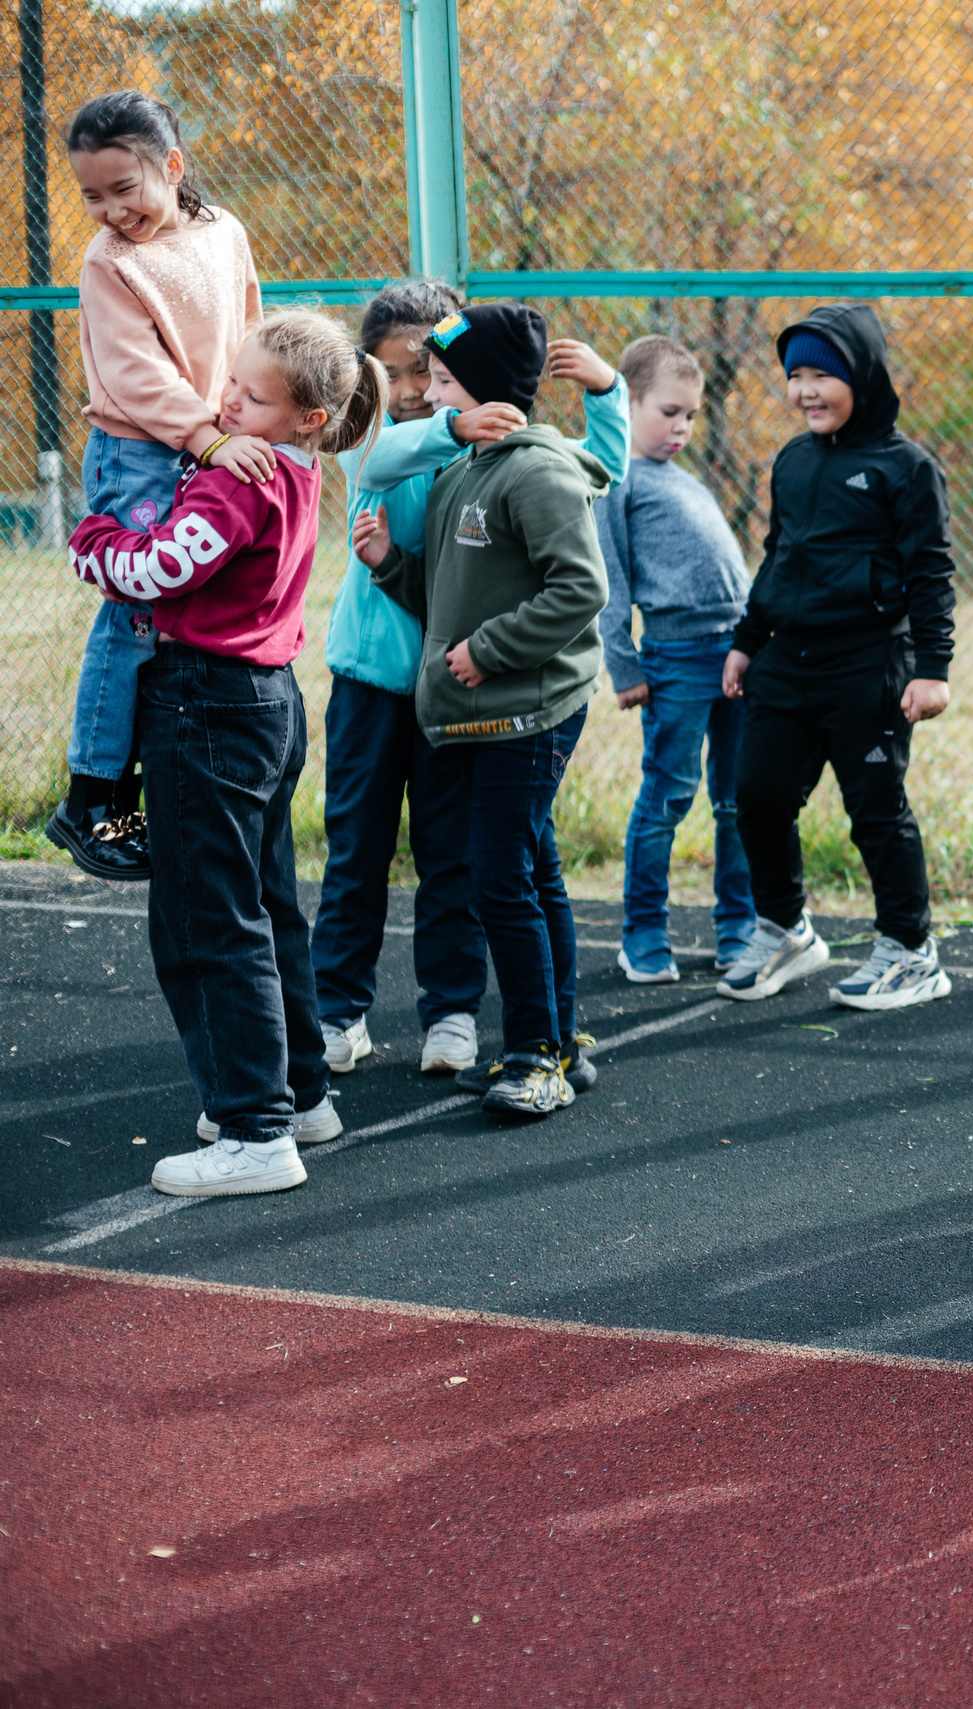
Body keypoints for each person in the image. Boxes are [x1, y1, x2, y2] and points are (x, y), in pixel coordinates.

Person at [68, 311, 383, 1195]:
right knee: (267, 905)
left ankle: (253, 1129)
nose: (228, 404)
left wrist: (92, 543)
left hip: (207, 702)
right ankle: (301, 1095)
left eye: (252, 397)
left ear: (308, 418)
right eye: (230, 384)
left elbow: (161, 569)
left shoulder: (241, 480)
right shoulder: (296, 466)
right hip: (266, 700)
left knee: (207, 919)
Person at [307, 282, 630, 1079]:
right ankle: (337, 1009)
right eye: (394, 372)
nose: (414, 388)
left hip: (460, 693)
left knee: (456, 856)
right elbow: (374, 460)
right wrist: (452, 425)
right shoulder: (389, 436)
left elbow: (591, 469)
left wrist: (608, 391)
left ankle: (454, 1010)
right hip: (373, 682)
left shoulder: (488, 454)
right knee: (357, 852)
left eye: (430, 371)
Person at [47, 90, 262, 883]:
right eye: (90, 196)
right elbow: (135, 376)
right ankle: (91, 797)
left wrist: (252, 417)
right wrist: (210, 437)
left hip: (210, 443)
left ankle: (147, 785)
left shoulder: (224, 231)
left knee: (184, 615)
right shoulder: (109, 263)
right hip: (139, 453)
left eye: (123, 188)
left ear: (172, 166)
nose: (109, 211)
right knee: (136, 612)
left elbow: (249, 331)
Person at [719, 304, 956, 1009]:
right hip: (785, 661)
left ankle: (911, 951)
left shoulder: (907, 469)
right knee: (757, 797)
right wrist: (746, 642)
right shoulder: (792, 460)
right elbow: (778, 557)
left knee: (875, 811)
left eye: (823, 375)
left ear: (864, 375)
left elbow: (931, 574)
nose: (806, 390)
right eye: (796, 376)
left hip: (868, 664)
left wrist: (933, 669)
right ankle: (785, 929)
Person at [600, 335, 754, 983]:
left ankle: (741, 929)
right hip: (676, 660)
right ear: (629, 403)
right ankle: (643, 935)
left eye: (691, 415)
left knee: (738, 800)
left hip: (737, 654)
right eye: (669, 412)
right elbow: (609, 581)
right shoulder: (616, 480)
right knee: (667, 797)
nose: (683, 427)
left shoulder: (686, 480)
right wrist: (625, 665)